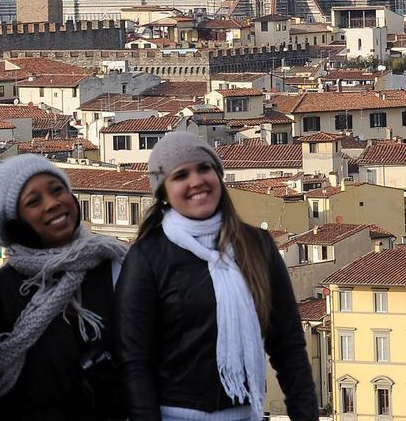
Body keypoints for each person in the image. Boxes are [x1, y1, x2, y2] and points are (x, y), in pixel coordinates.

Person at [118, 130, 317, 421]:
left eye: (204, 168)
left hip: (246, 414)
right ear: (163, 194)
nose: (196, 181)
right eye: (180, 175)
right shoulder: (147, 258)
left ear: (218, 175)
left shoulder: (258, 246)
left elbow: (288, 345)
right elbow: (134, 362)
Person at [0, 153, 128, 419]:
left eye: (58, 191)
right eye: (34, 201)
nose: (53, 203)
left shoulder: (115, 265)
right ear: (15, 224)